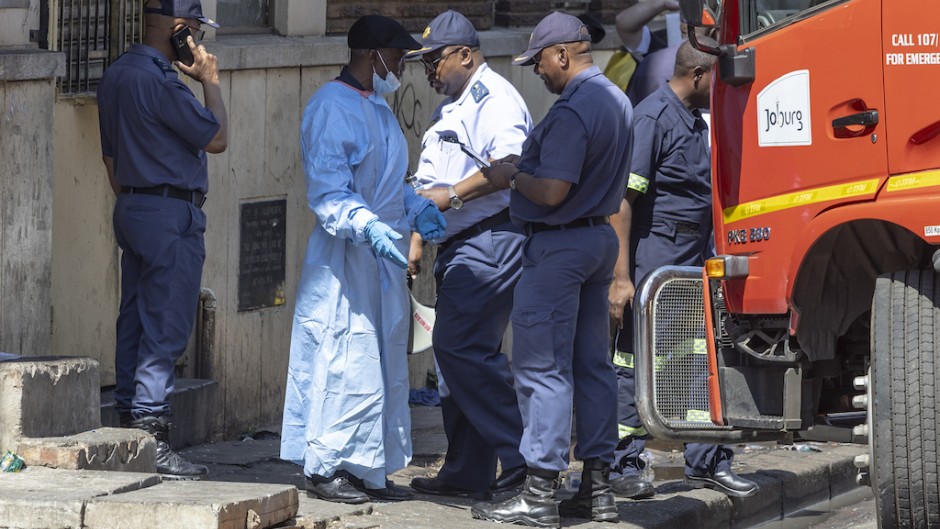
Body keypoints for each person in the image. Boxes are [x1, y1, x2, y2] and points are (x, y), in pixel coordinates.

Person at [471, 12, 634, 527]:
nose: (537, 71)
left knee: (542, 369)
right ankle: (598, 487)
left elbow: (552, 189)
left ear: (563, 54)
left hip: (559, 247)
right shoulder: (618, 100)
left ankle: (540, 491)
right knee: (592, 365)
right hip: (596, 241)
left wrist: (513, 176)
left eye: (539, 61)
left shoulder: (574, 109)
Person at [279, 15, 447, 504]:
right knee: (342, 359)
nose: (400, 66)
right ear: (371, 54)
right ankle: (325, 464)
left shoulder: (378, 107)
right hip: (345, 259)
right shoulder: (331, 107)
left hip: (382, 260)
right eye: (395, 56)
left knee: (379, 362)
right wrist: (367, 223)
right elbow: (330, 190)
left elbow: (392, 181)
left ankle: (368, 467)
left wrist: (414, 207)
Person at [607, 38, 760, 500]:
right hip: (654, 269)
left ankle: (706, 461)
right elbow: (622, 203)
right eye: (716, 78)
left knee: (698, 359)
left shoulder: (693, 121)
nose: (720, 88)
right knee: (634, 365)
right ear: (697, 76)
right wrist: (620, 278)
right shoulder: (652, 118)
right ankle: (622, 466)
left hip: (692, 267)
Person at [403, 10, 532, 501]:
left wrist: (453, 197)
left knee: (460, 349)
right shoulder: (450, 107)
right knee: (457, 359)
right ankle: (467, 470)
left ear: (466, 55)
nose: (429, 69)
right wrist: (418, 237)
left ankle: (524, 461)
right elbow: (428, 184)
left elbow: (511, 166)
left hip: (490, 240)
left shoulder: (493, 98)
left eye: (435, 60)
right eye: (424, 62)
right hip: (458, 244)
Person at [96, 0, 227, 480]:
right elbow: (216, 137)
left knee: (135, 314)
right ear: (179, 30)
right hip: (169, 210)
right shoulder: (160, 79)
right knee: (166, 323)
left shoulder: (116, 75)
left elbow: (109, 158)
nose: (199, 43)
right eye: (196, 31)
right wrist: (209, 79)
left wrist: (137, 198)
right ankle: (152, 435)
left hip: (131, 204)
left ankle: (130, 424)